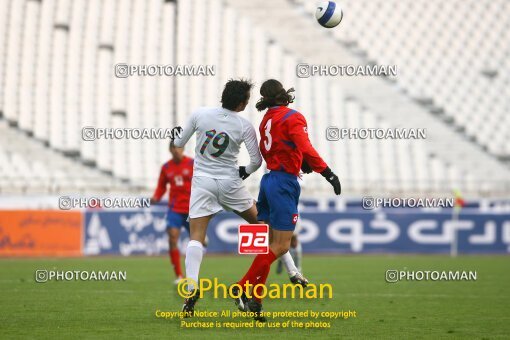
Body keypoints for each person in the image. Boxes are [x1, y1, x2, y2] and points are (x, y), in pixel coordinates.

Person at [234, 79, 341, 322]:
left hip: (269, 180)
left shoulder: (266, 120)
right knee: (282, 245)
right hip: (284, 184)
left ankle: (256, 300)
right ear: (284, 96)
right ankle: (241, 287)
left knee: (269, 246)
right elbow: (306, 146)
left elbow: (275, 149)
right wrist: (328, 173)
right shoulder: (293, 117)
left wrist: (297, 160)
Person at [173, 79, 263, 315]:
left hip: (202, 183)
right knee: (265, 227)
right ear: (242, 103)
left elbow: (179, 142)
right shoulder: (244, 126)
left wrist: (175, 136)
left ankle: (191, 287)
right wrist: (246, 171)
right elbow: (256, 161)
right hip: (231, 183)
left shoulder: (200, 114)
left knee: (196, 237)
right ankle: (287, 273)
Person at [151, 141, 194, 284]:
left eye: (179, 147)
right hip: (174, 209)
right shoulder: (166, 167)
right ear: (170, 149)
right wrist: (156, 197)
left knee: (195, 241)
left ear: (183, 148)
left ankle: (193, 274)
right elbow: (161, 187)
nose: (177, 150)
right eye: (174, 147)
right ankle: (179, 276)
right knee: (172, 238)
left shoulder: (193, 164)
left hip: (192, 209)